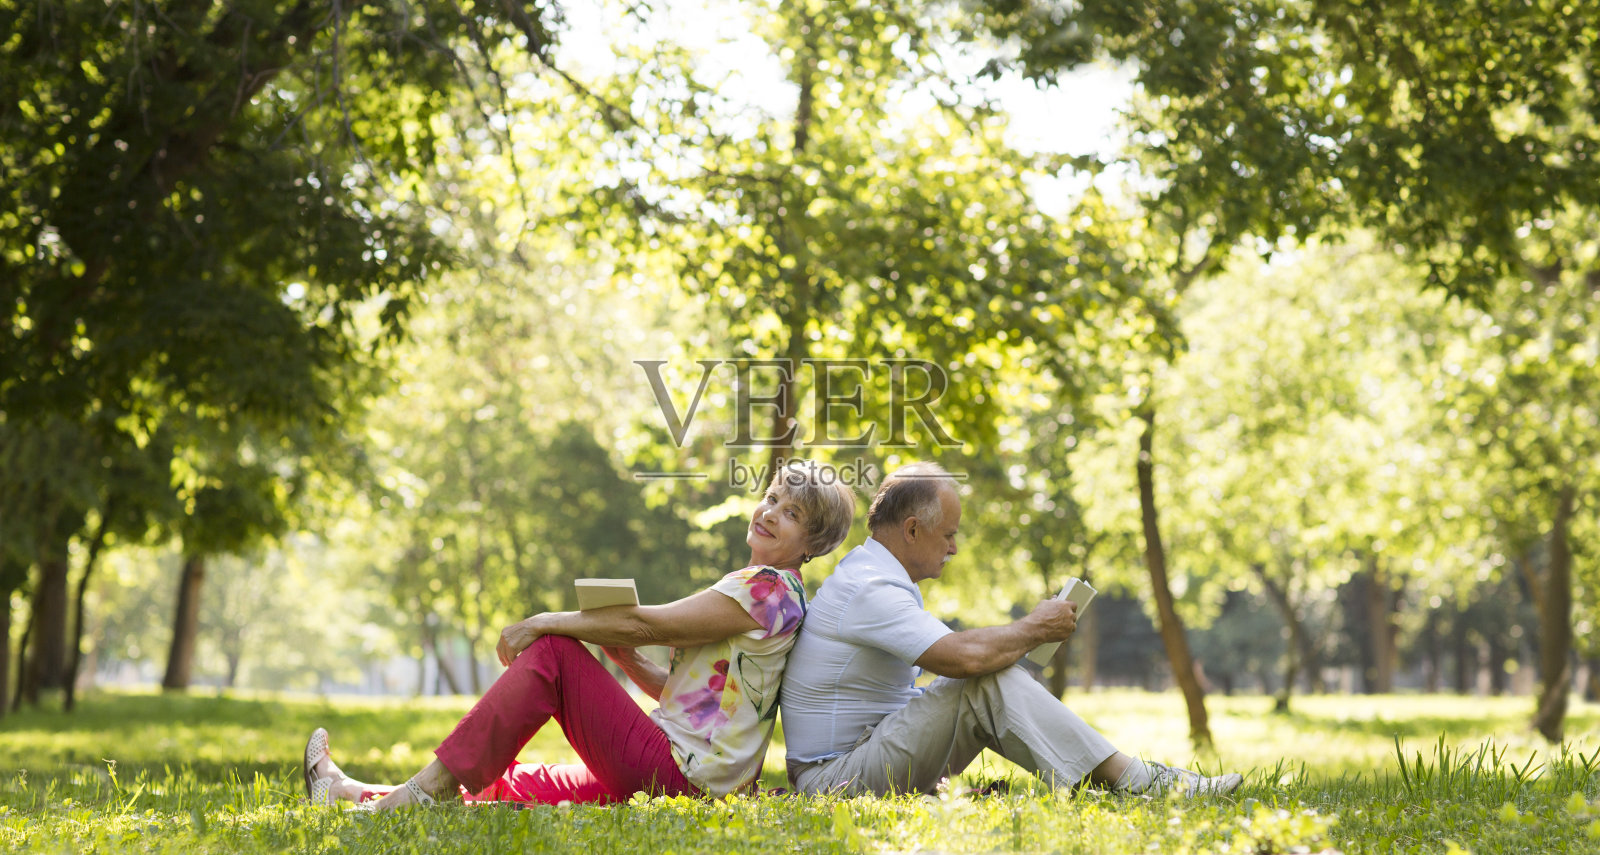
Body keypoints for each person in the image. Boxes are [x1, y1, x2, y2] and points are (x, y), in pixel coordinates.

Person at [303, 459, 856, 809]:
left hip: (683, 776)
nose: (770, 512)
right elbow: (700, 704)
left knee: (553, 654)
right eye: (773, 498)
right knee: (529, 785)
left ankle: (415, 797)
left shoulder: (768, 588)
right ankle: (350, 792)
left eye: (792, 512)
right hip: (691, 774)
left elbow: (647, 622)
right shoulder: (773, 591)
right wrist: (629, 660)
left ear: (812, 541)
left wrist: (544, 622)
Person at [779, 461, 1243, 798]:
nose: (955, 548)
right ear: (914, 530)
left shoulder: (876, 576)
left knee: (981, 682)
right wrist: (1034, 628)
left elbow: (957, 663)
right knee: (979, 683)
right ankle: (1140, 781)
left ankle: (1121, 779)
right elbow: (960, 658)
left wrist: (1025, 636)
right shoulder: (870, 587)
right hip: (832, 781)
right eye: (950, 535)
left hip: (858, 759)